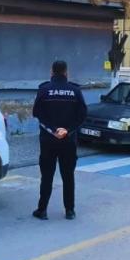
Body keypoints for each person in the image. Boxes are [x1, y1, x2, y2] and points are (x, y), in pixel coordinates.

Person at [31, 60, 87, 220]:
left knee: (47, 176)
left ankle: (42, 210)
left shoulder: (44, 89)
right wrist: (67, 130)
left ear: (51, 72)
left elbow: (36, 113)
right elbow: (82, 115)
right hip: (68, 141)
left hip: (48, 141)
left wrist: (53, 130)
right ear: (66, 72)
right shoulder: (75, 90)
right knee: (68, 176)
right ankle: (70, 211)